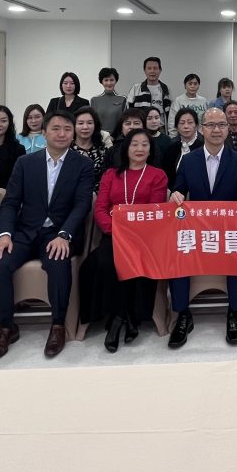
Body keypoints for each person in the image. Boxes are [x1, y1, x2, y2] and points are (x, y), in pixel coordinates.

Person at [0, 110, 94, 361]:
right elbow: (11, 202)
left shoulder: (83, 165)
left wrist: (64, 235)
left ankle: (58, 325)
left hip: (58, 233)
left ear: (73, 133)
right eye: (55, 128)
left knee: (58, 261)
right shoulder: (25, 163)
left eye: (67, 129)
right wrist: (4, 235)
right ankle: (6, 326)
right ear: (44, 133)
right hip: (25, 232)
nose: (62, 133)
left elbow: (82, 204)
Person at [168, 108, 237, 348]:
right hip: (197, 232)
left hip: (229, 231)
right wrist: (175, 194)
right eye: (211, 125)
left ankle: (234, 312)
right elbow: (179, 189)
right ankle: (183, 315)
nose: (216, 130)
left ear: (228, 128)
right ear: (201, 129)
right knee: (177, 253)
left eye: (222, 125)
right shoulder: (189, 160)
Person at [82, 130, 167, 351]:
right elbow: (101, 208)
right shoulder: (111, 174)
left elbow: (154, 211)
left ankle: (118, 319)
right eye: (134, 144)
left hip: (144, 238)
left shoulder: (158, 175)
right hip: (113, 235)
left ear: (151, 150)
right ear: (126, 148)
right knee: (106, 263)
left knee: (131, 262)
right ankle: (125, 316)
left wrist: (133, 233)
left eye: (145, 145)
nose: (139, 149)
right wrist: (113, 230)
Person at [161, 108, 204, 189]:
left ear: (196, 126)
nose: (186, 126)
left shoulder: (204, 147)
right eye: (182, 123)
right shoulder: (171, 148)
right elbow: (166, 176)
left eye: (190, 122)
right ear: (177, 127)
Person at [71, 106, 111, 191]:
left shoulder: (103, 150)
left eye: (89, 123)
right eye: (80, 123)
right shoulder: (66, 150)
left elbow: (108, 178)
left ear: (95, 125)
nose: (85, 127)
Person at [126, 56, 172, 120]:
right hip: (141, 125)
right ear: (145, 70)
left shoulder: (166, 89)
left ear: (160, 70)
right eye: (149, 68)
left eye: (155, 68)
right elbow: (128, 109)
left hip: (160, 125)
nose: (152, 71)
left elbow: (170, 113)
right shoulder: (135, 88)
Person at [90, 67, 127, 137]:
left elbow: (125, 121)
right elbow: (93, 122)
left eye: (111, 80)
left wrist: (114, 137)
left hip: (118, 138)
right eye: (106, 80)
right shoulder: (94, 100)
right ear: (101, 82)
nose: (109, 83)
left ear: (116, 81)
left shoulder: (123, 99)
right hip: (100, 138)